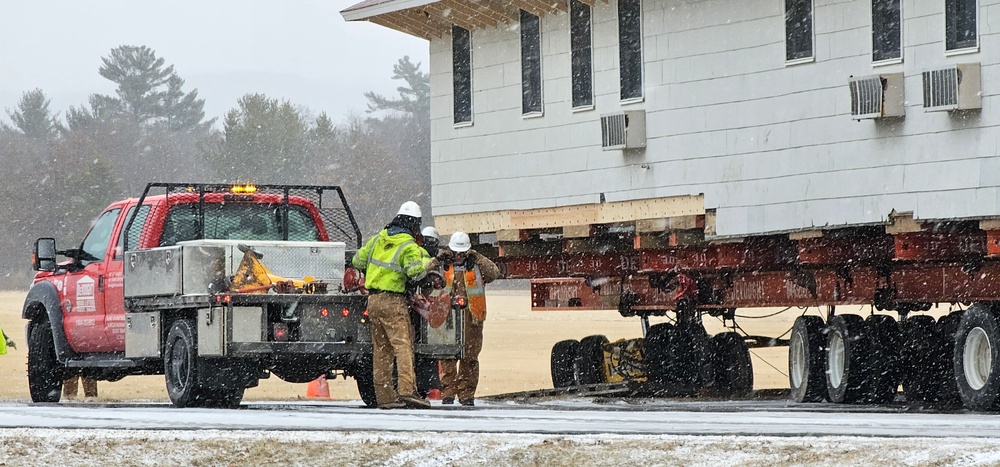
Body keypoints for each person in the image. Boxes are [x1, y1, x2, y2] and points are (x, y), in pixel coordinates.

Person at [352, 201, 437, 410]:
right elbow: (415, 273)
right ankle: (408, 391)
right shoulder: (408, 245)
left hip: (373, 301)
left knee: (381, 351)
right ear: (414, 224)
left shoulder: (376, 240)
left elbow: (357, 261)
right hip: (393, 301)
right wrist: (431, 264)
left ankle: (385, 397)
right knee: (403, 346)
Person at [438, 231, 500, 406]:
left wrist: (477, 257)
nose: (458, 256)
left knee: (470, 358)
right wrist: (439, 259)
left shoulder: (476, 266)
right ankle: (448, 394)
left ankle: (466, 396)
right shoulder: (443, 266)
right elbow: (425, 272)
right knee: (448, 358)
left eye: (462, 253)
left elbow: (494, 272)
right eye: (455, 253)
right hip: (447, 319)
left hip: (472, 318)